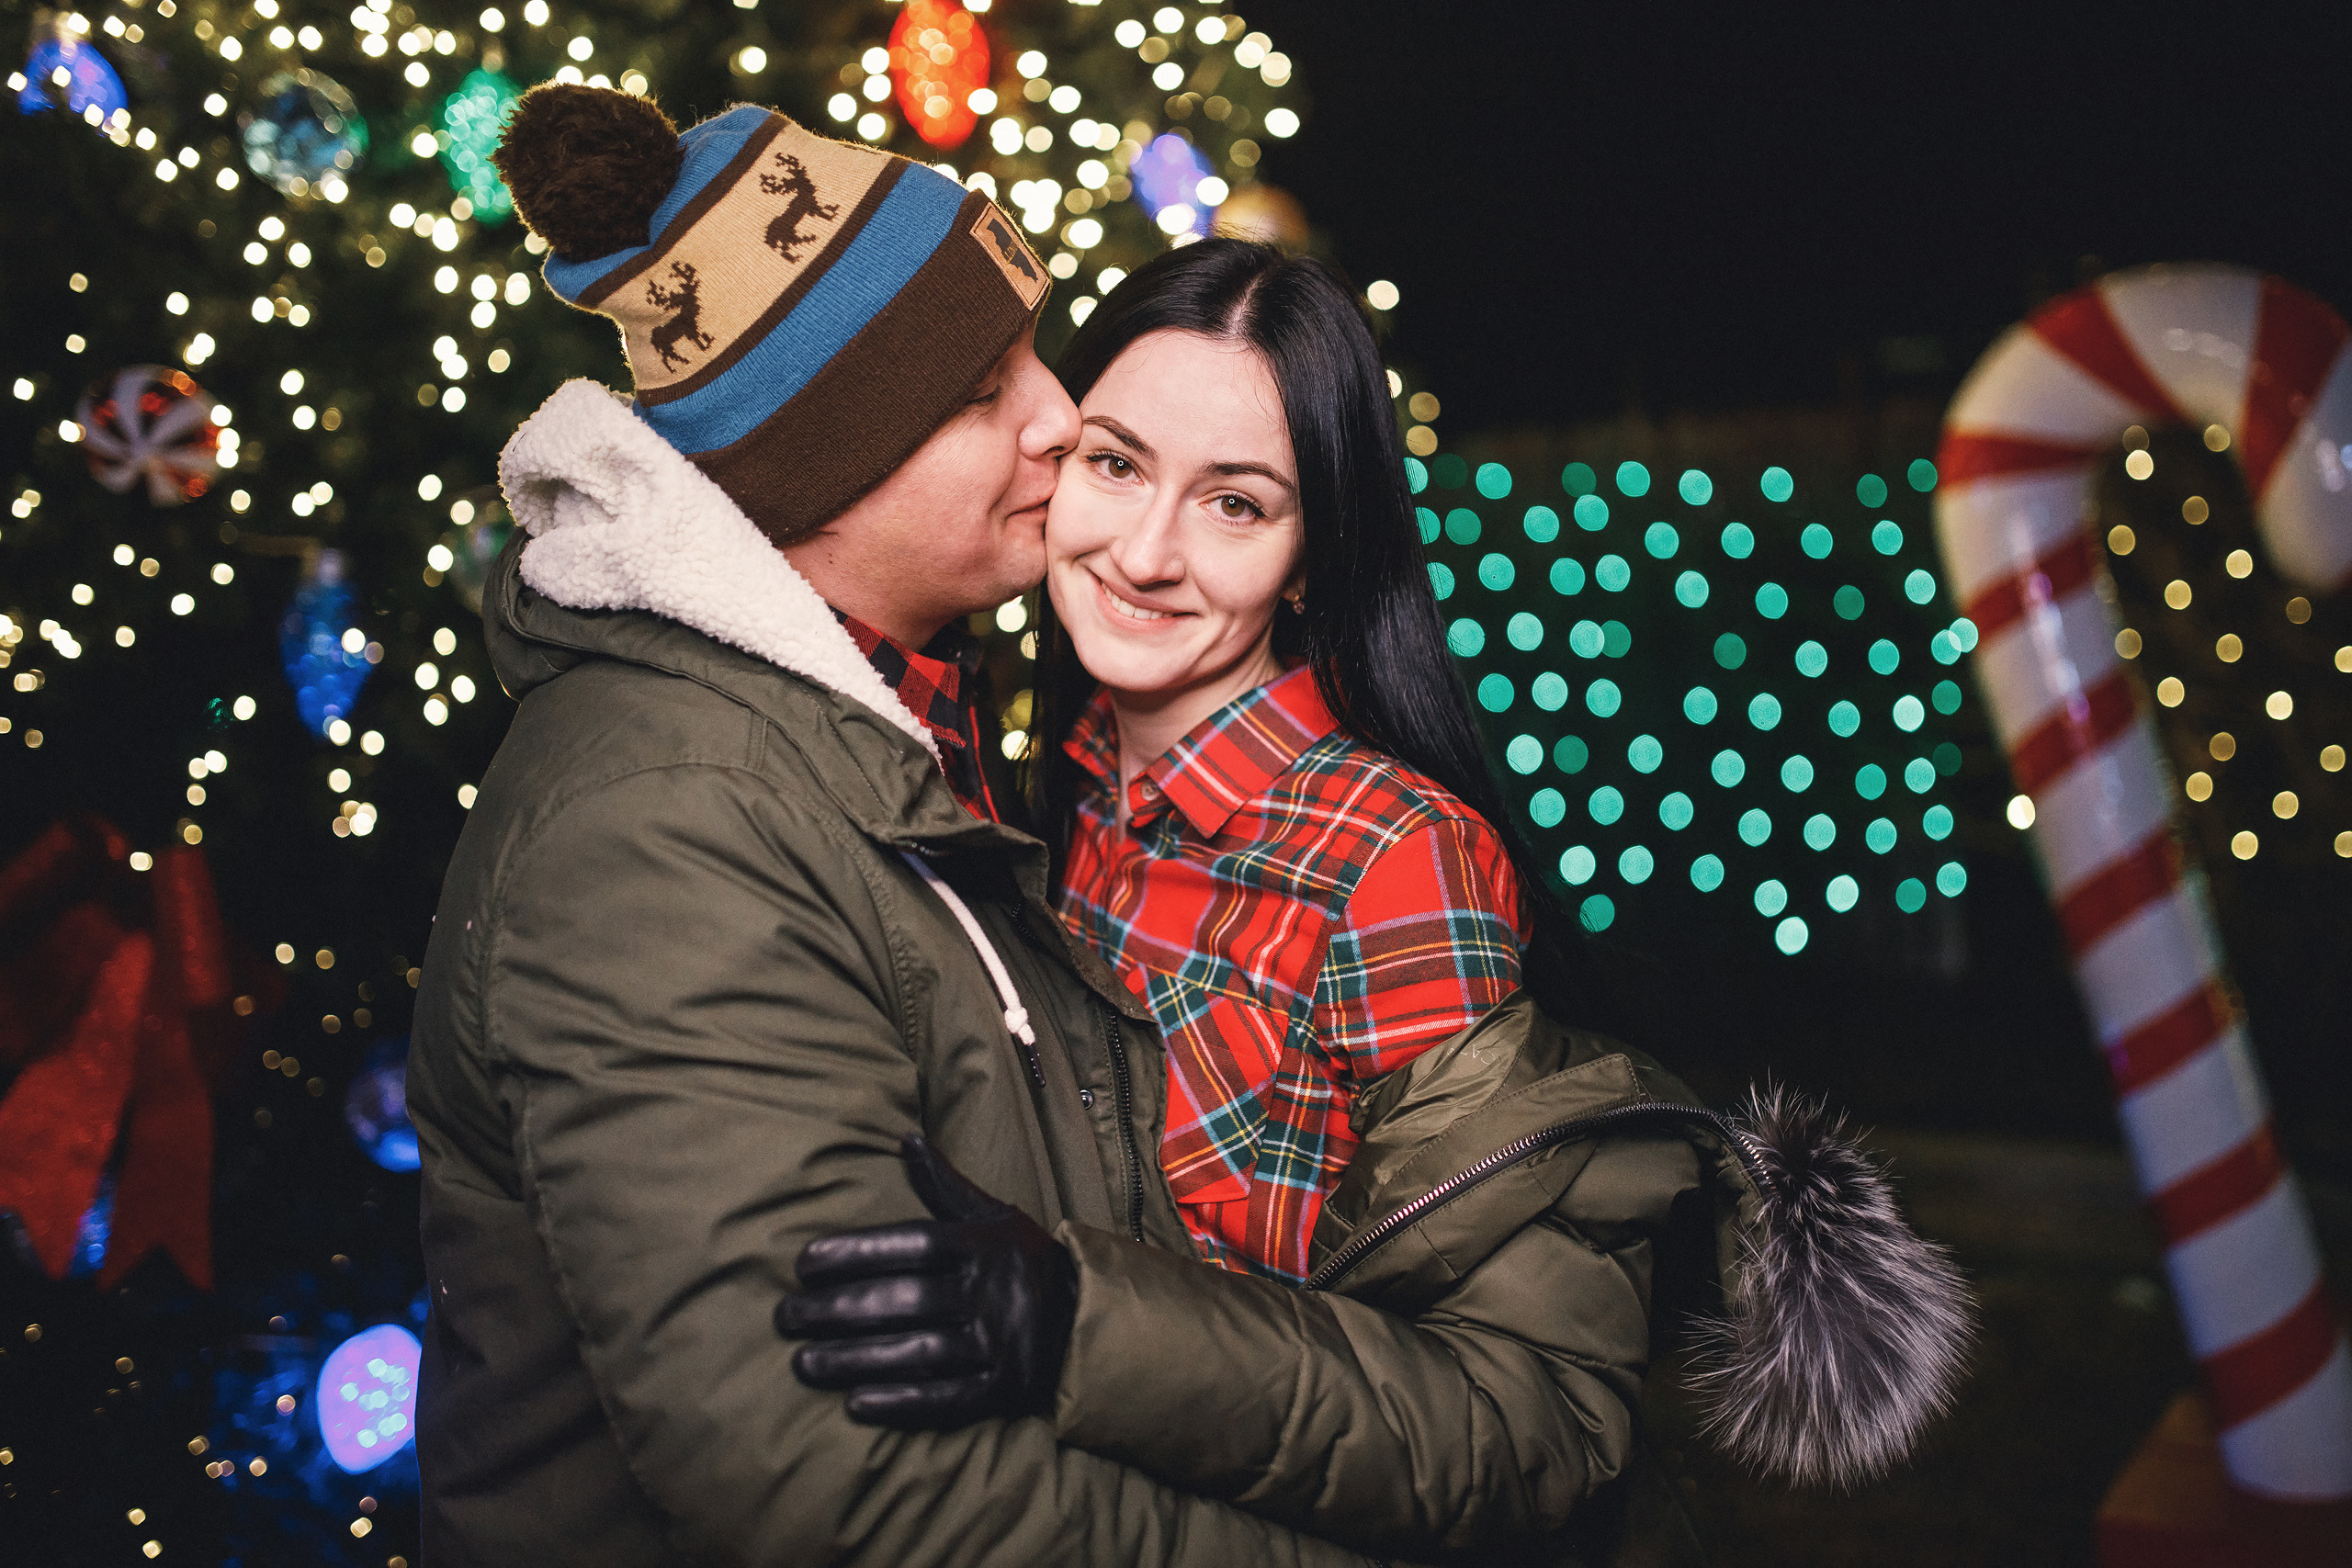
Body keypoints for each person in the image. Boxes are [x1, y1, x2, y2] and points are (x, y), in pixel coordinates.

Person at [782, 242, 1975, 1563]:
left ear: (1309, 557)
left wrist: (1077, 1322)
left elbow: (1529, 1420)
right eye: (1116, 465)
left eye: (1237, 505)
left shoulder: (1390, 853)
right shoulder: (1040, 798)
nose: (1147, 552)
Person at [407, 85, 1394, 1568]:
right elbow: (841, 1488)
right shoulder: (670, 832)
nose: (1065, 416)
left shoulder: (886, 728)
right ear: (830, 467)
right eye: (986, 390)